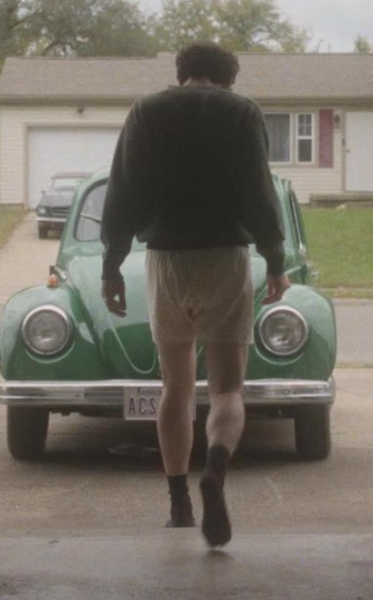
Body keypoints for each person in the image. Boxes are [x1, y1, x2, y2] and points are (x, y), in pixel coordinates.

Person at [100, 41, 290, 549]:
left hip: (165, 260)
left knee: (175, 389)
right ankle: (217, 466)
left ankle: (179, 502)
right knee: (228, 391)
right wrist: (275, 259)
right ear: (228, 79)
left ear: (181, 73)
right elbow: (259, 191)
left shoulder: (147, 110)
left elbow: (122, 190)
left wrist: (111, 266)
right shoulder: (241, 112)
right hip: (226, 257)